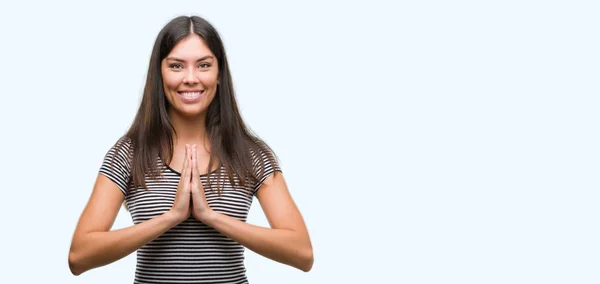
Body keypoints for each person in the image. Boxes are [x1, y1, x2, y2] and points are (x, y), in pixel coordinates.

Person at [68, 15, 314, 283]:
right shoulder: (129, 153)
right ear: (159, 74)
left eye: (204, 65)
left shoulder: (250, 153)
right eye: (176, 66)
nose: (190, 78)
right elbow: (79, 257)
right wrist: (172, 217)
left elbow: (302, 253)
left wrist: (210, 216)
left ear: (219, 74)